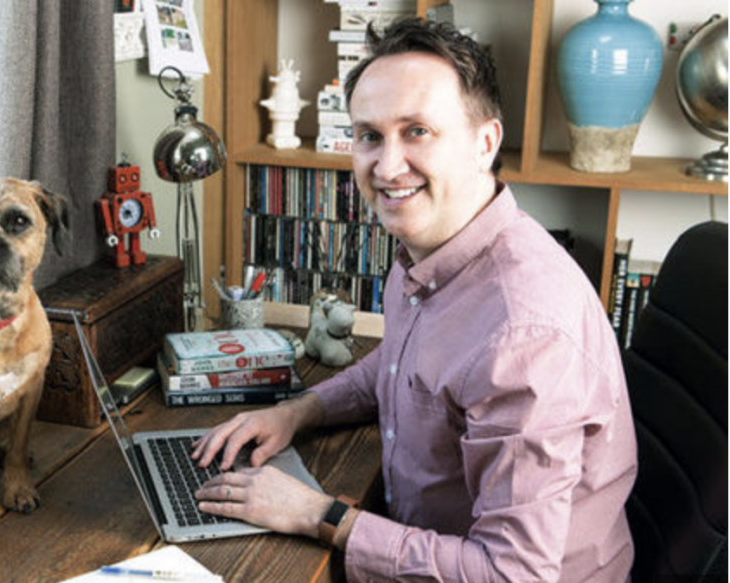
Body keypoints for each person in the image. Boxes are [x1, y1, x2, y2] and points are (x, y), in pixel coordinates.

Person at [192, 18, 637, 582]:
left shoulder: (525, 332)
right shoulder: (433, 246)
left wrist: (316, 513)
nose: (386, 166)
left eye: (418, 131)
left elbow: (513, 575)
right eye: (370, 136)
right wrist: (294, 413)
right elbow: (403, 361)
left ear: (485, 142)